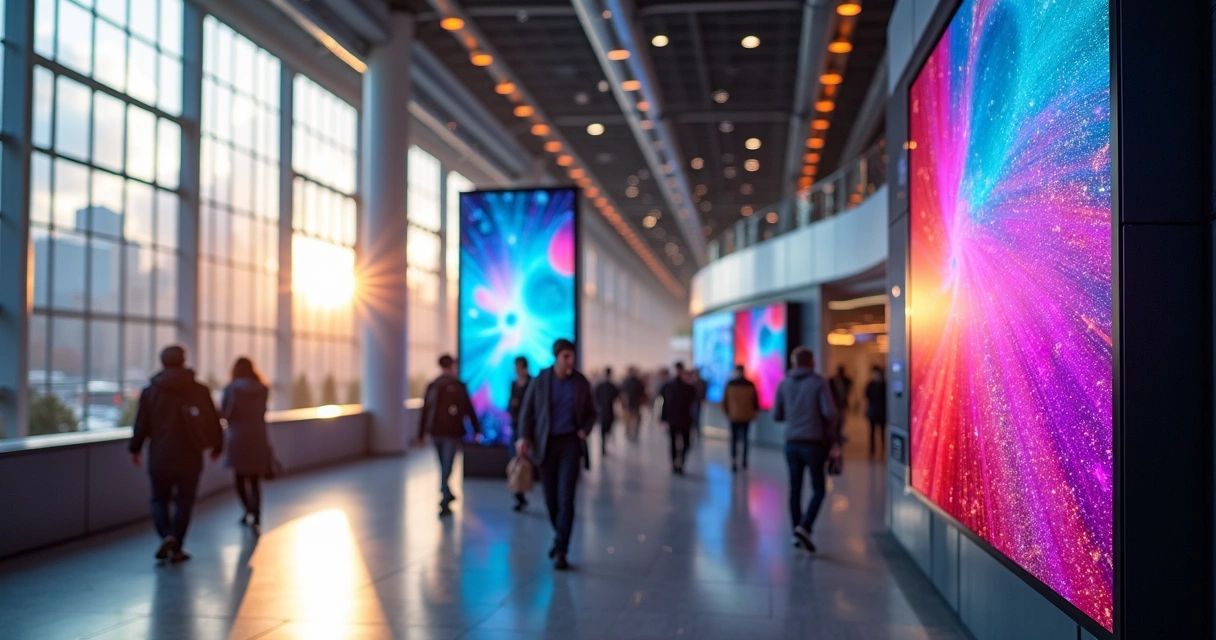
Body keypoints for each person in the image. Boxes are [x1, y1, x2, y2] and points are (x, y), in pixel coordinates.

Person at [129, 345, 223, 563]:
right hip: (190, 456)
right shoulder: (199, 390)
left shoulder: (150, 392)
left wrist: (135, 449)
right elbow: (212, 419)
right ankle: (178, 546)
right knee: (185, 502)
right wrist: (218, 446)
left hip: (160, 456)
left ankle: (166, 535)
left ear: (162, 362)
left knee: (159, 500)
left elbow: (141, 424)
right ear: (184, 360)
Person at [516, 339, 598, 570]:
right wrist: (524, 437)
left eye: (572, 356)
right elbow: (528, 411)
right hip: (546, 444)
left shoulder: (580, 382)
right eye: (566, 357)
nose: (570, 361)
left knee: (566, 496)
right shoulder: (542, 381)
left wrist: (584, 430)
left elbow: (593, 412)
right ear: (557, 357)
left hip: (571, 443)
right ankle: (559, 536)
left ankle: (562, 548)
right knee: (550, 498)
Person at [773, 347, 840, 553]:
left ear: (794, 363)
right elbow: (830, 412)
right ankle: (805, 526)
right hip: (813, 443)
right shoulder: (819, 382)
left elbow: (777, 415)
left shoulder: (783, 384)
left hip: (791, 443)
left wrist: (795, 416)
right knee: (819, 488)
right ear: (812, 362)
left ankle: (796, 531)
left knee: (795, 488)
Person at [419, 354, 482, 515]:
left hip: (446, 433)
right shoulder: (438, 385)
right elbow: (426, 410)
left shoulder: (444, 385)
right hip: (441, 432)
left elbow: (466, 408)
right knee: (445, 464)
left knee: (446, 464)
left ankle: (444, 494)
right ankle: (446, 492)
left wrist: (421, 433)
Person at [221, 357, 272, 532]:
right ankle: (256, 514)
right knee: (255, 480)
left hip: (238, 438)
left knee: (239, 477)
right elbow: (263, 411)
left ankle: (248, 510)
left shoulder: (231, 389)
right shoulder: (263, 389)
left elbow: (225, 413)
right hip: (258, 436)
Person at [660, 362, 698, 474]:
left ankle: (677, 461)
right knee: (676, 442)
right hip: (679, 419)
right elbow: (665, 403)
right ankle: (677, 462)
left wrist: (663, 418)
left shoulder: (686, 387)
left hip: (680, 419)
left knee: (681, 442)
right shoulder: (672, 386)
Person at [720, 365, 760, 472]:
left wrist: (728, 412)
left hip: (733, 416)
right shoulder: (750, 384)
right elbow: (755, 402)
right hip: (746, 416)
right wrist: (754, 412)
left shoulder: (730, 384)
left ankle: (733, 460)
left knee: (734, 439)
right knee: (745, 439)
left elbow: (724, 402)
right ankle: (744, 461)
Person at [507, 356, 533, 511]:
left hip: (530, 428)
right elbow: (510, 406)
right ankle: (519, 493)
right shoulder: (514, 384)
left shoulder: (532, 383)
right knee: (516, 460)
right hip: (517, 426)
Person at [594, 367, 621, 456]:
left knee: (605, 429)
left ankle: (603, 444)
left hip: (604, 411)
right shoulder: (609, 386)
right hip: (606, 411)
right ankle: (603, 446)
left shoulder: (603, 386)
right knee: (604, 429)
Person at [865, 366, 888, 457]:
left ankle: (883, 448)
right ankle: (872, 449)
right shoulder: (870, 384)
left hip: (882, 412)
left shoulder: (885, 385)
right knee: (872, 432)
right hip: (873, 411)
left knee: (882, 431)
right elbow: (866, 395)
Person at [620, 366, 646, 441]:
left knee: (629, 421)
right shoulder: (638, 381)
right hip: (635, 404)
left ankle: (629, 434)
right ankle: (633, 434)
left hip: (629, 404)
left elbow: (622, 393)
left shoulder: (625, 381)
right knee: (634, 421)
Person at [690, 369, 708, 446]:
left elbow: (704, 392)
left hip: (698, 402)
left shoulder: (702, 382)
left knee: (697, 418)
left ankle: (697, 433)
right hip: (692, 402)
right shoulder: (691, 382)